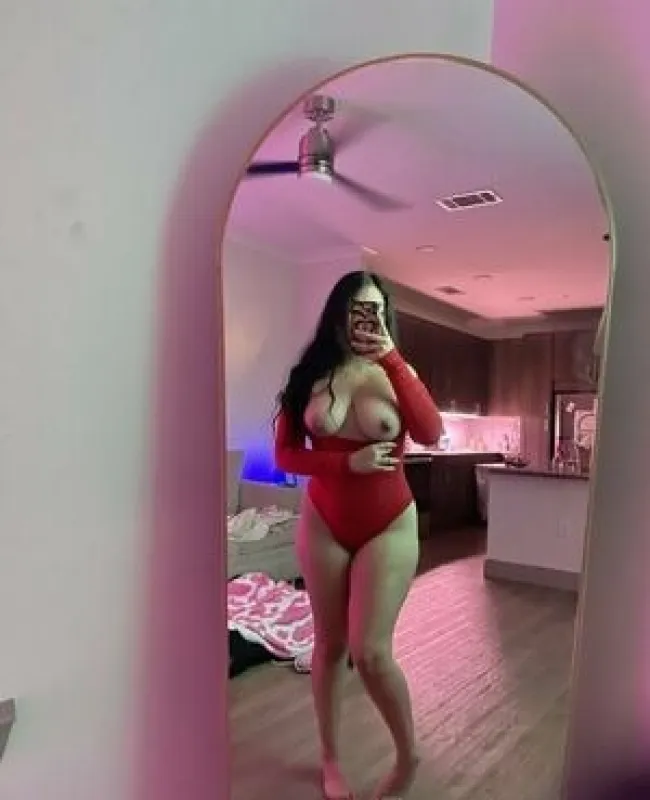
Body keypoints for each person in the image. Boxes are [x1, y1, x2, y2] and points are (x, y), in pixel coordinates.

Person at [274, 270, 443, 799]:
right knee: (328, 645)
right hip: (324, 518)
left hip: (388, 521)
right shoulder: (309, 374)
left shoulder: (398, 371)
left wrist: (391, 358)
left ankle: (408, 755)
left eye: (374, 310)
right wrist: (347, 464)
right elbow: (286, 456)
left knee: (370, 652)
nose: (363, 319)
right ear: (337, 313)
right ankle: (330, 760)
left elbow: (431, 432)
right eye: (355, 308)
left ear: (385, 317)